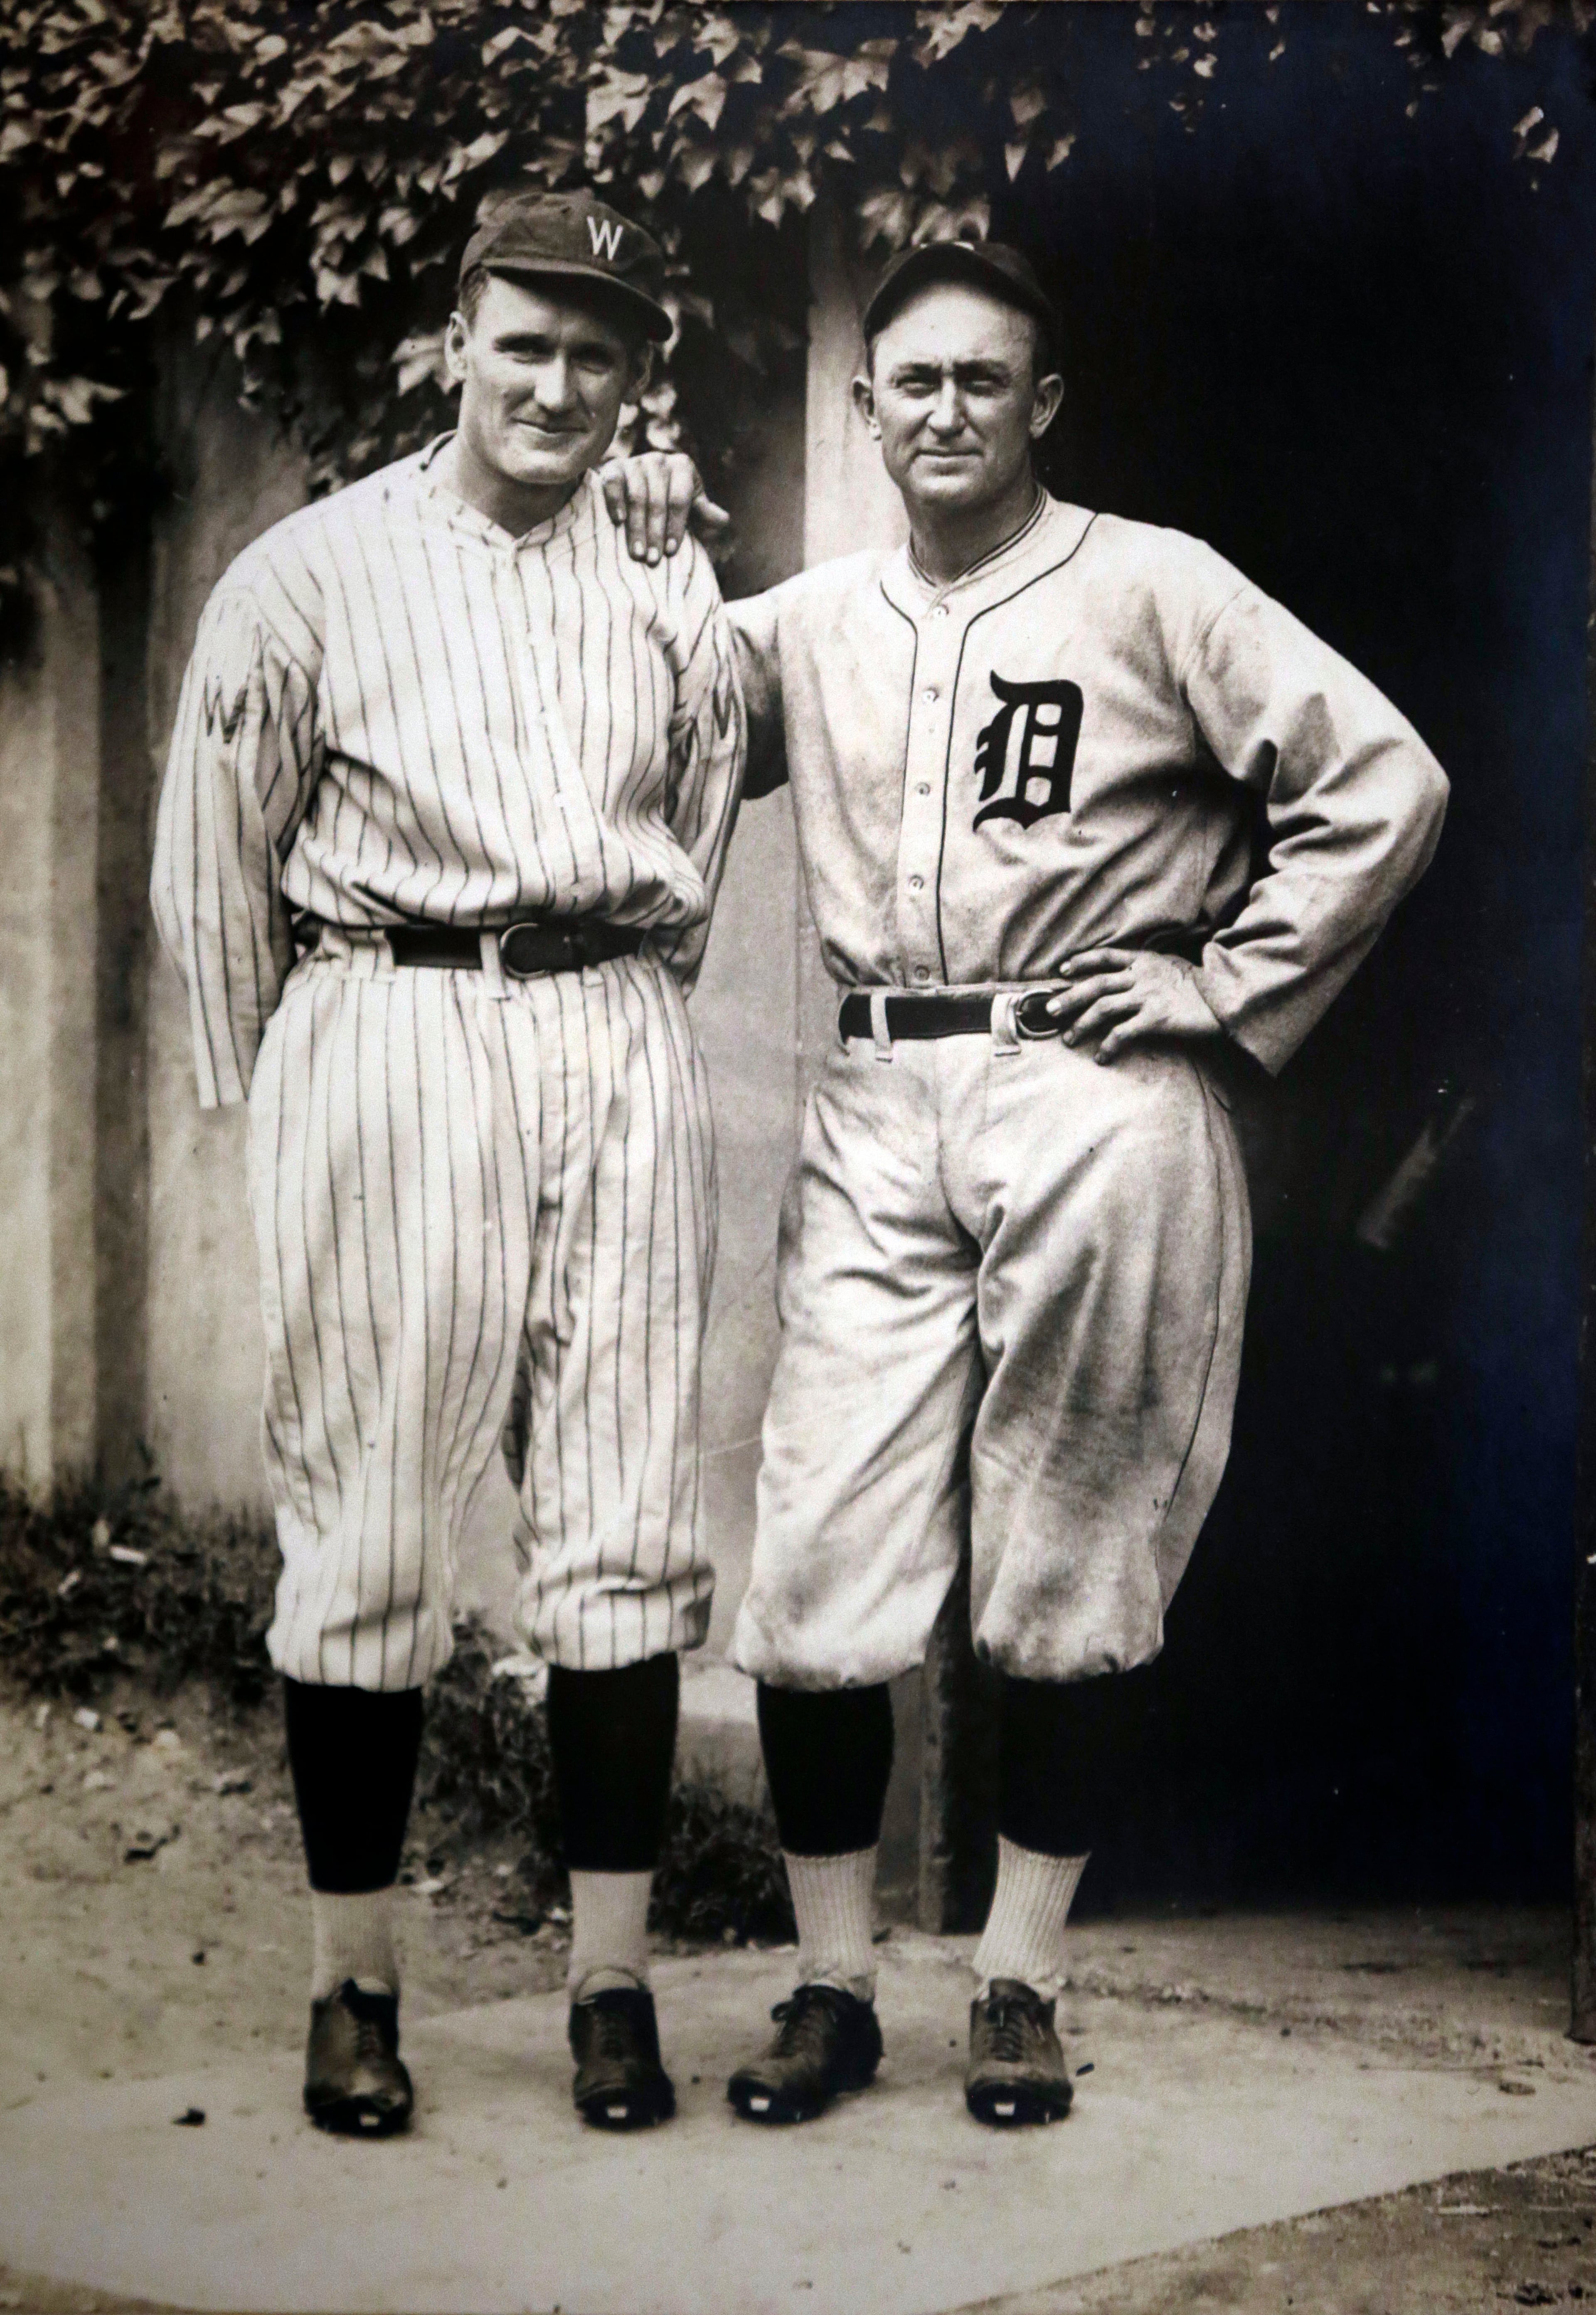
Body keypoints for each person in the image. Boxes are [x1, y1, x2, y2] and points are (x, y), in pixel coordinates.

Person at [598, 235, 1447, 2128]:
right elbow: (628, 722)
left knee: (1073, 1565)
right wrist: (635, 526)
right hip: (881, 1083)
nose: (950, 411)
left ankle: (1017, 1979)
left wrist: (1223, 983)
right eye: (917, 381)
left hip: (1097, 1084)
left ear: (1043, 402)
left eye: (988, 380)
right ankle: (833, 1983)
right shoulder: (806, 621)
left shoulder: (1158, 585)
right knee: (816, 1564)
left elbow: (1383, 779)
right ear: (868, 407)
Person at [151, 189, 745, 2138]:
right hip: (391, 1016)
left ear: (634, 376)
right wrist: (302, 1096)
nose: (556, 382)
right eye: (525, 340)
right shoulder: (307, 574)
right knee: (378, 1534)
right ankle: (353, 1985)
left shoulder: (670, 580)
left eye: (597, 351)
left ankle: (610, 1985)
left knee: (621, 1527)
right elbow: (214, 881)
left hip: (611, 1024)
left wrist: (627, 1019)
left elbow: (699, 829)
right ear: (456, 343)